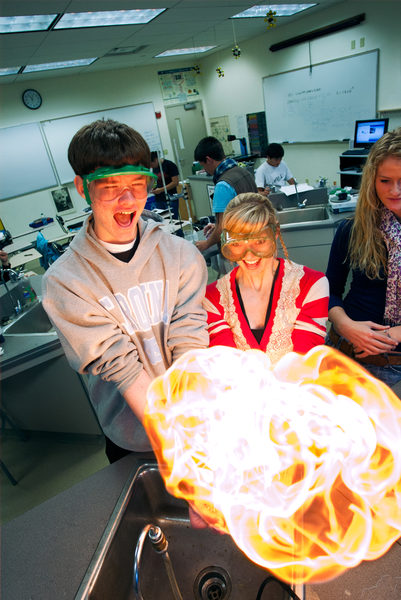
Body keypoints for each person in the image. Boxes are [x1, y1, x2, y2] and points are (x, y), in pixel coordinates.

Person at [42, 119, 208, 463]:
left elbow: (189, 340)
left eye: (138, 183)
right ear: (82, 187)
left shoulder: (182, 256)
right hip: (129, 437)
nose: (128, 199)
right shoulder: (66, 282)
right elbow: (122, 368)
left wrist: (193, 422)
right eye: (110, 186)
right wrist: (176, 443)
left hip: (192, 424)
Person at [203, 192, 329, 363]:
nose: (249, 255)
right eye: (237, 243)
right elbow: (227, 364)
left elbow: (304, 362)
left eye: (259, 241)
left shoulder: (311, 285)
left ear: (275, 233)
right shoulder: (212, 298)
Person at [325, 127, 401, 388]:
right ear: (372, 181)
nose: (395, 191)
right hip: (348, 353)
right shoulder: (352, 229)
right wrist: (344, 324)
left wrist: (394, 333)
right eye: (385, 181)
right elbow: (330, 291)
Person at [193, 137, 257, 264]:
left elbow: (222, 229)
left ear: (208, 160)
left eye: (203, 165)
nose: (204, 170)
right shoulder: (244, 172)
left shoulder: (223, 185)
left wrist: (206, 244)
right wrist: (217, 225)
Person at [149, 151, 180, 219]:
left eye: (151, 164)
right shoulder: (155, 167)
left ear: (156, 160)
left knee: (173, 220)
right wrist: (153, 188)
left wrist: (161, 190)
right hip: (159, 199)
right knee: (162, 220)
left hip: (170, 198)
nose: (151, 167)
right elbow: (156, 180)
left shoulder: (169, 165)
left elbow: (175, 182)